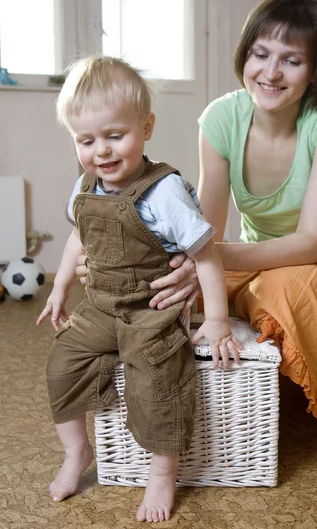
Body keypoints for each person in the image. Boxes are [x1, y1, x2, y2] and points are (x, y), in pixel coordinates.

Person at [107, 0, 317, 444]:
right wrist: (177, 262)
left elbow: (311, 243)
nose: (270, 72)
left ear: (316, 68)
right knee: (163, 288)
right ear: (245, 54)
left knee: (275, 290)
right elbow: (207, 228)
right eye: (260, 54)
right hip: (252, 261)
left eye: (291, 60)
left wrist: (210, 256)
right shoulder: (221, 118)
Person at [36, 55, 242, 523]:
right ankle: (76, 453)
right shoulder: (86, 186)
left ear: (146, 127)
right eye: (86, 141)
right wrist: (59, 289)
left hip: (153, 307)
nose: (102, 152)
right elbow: (77, 239)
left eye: (115, 136)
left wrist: (215, 320)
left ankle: (162, 474)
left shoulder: (163, 191)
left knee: (158, 384)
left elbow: (208, 257)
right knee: (61, 365)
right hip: (102, 306)